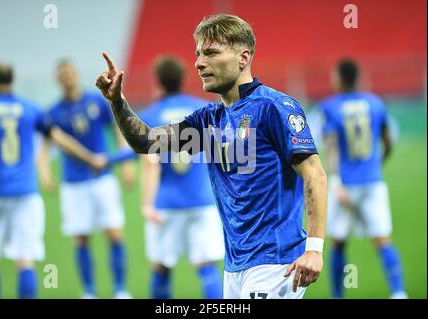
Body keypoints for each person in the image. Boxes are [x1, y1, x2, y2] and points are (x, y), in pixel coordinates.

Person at [96, 14, 327, 299]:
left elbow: (314, 174)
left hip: (276, 264)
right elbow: (145, 141)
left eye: (211, 53)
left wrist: (314, 250)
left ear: (243, 57)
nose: (198, 62)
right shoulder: (208, 121)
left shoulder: (275, 107)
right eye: (197, 54)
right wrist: (117, 102)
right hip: (235, 268)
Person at [0, 63, 105, 299]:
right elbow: (60, 138)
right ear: (12, 80)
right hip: (25, 192)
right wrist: (90, 159)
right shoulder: (30, 109)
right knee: (25, 258)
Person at [37, 60, 134, 299]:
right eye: (62, 74)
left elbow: (117, 129)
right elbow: (46, 146)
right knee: (80, 238)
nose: (67, 77)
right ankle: (89, 291)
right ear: (58, 79)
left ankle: (120, 290)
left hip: (103, 178)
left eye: (69, 72)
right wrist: (45, 171)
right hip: (73, 183)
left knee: (114, 233)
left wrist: (127, 161)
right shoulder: (54, 111)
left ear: (76, 74)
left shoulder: (95, 101)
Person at [320, 59, 407, 299]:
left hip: (344, 186)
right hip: (372, 182)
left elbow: (331, 145)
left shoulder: (330, 106)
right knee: (382, 240)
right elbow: (388, 140)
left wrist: (335, 180)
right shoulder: (375, 103)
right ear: (357, 78)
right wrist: (377, 165)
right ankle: (399, 293)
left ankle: (338, 296)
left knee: (338, 242)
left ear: (339, 78)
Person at [138, 55, 224, 299]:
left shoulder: (151, 115)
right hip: (203, 200)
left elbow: (151, 163)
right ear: (183, 79)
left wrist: (146, 204)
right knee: (206, 266)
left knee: (161, 266)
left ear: (158, 81)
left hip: (167, 203)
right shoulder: (203, 109)